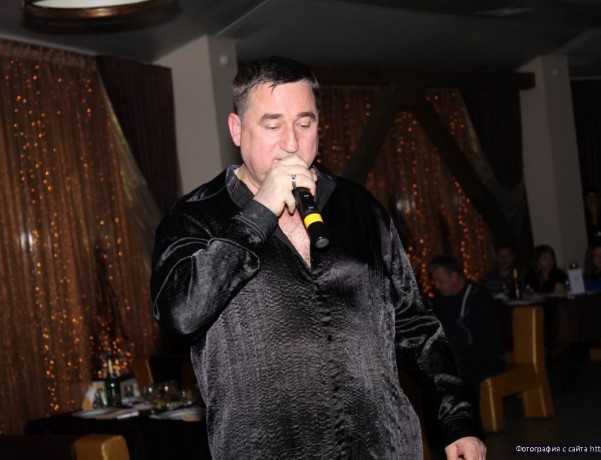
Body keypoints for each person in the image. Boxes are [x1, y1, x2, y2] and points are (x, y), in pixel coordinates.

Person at [150, 57, 485, 459]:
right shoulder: (194, 218)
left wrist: (457, 420)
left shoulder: (358, 206)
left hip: (383, 446)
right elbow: (180, 314)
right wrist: (259, 212)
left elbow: (415, 323)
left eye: (304, 124)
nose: (291, 143)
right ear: (237, 130)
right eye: (273, 125)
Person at [429, 256, 505, 402]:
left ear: (454, 277)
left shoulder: (479, 296)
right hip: (460, 358)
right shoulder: (442, 300)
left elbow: (483, 339)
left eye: (440, 281)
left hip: (486, 359)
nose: (436, 286)